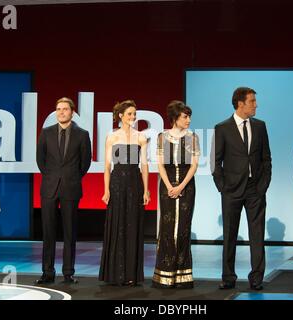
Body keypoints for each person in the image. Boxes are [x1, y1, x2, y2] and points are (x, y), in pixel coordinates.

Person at [211, 87, 272, 290]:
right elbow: (215, 162)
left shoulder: (260, 126)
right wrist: (222, 187)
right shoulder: (222, 128)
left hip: (255, 189)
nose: (256, 105)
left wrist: (263, 185)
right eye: (252, 101)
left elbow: (266, 159)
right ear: (240, 104)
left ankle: (256, 278)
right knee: (230, 235)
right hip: (231, 190)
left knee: (257, 235)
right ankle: (228, 277)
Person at [35, 97, 92, 284]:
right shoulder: (46, 132)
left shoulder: (82, 134)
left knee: (69, 232)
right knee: (48, 232)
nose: (61, 112)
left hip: (71, 187)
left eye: (65, 109)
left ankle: (68, 272)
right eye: (58, 109)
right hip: (49, 188)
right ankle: (47, 272)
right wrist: (52, 176)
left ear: (72, 112)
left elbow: (85, 163)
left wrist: (72, 177)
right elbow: (40, 160)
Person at [99, 100, 150, 286]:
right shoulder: (112, 137)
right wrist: (106, 190)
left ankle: (131, 274)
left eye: (134, 114)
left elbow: (144, 166)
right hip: (117, 183)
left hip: (135, 183)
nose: (133, 117)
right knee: (117, 224)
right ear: (121, 116)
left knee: (133, 225)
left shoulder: (141, 137)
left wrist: (146, 190)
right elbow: (106, 166)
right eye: (129, 114)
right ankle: (114, 273)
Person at [152, 101, 200, 289]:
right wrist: (169, 186)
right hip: (166, 187)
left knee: (183, 229)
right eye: (184, 117)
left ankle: (182, 275)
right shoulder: (162, 137)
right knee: (167, 229)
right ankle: (165, 273)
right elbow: (160, 165)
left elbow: (194, 165)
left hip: (187, 187)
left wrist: (180, 187)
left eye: (189, 116)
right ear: (175, 118)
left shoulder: (193, 137)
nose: (188, 120)